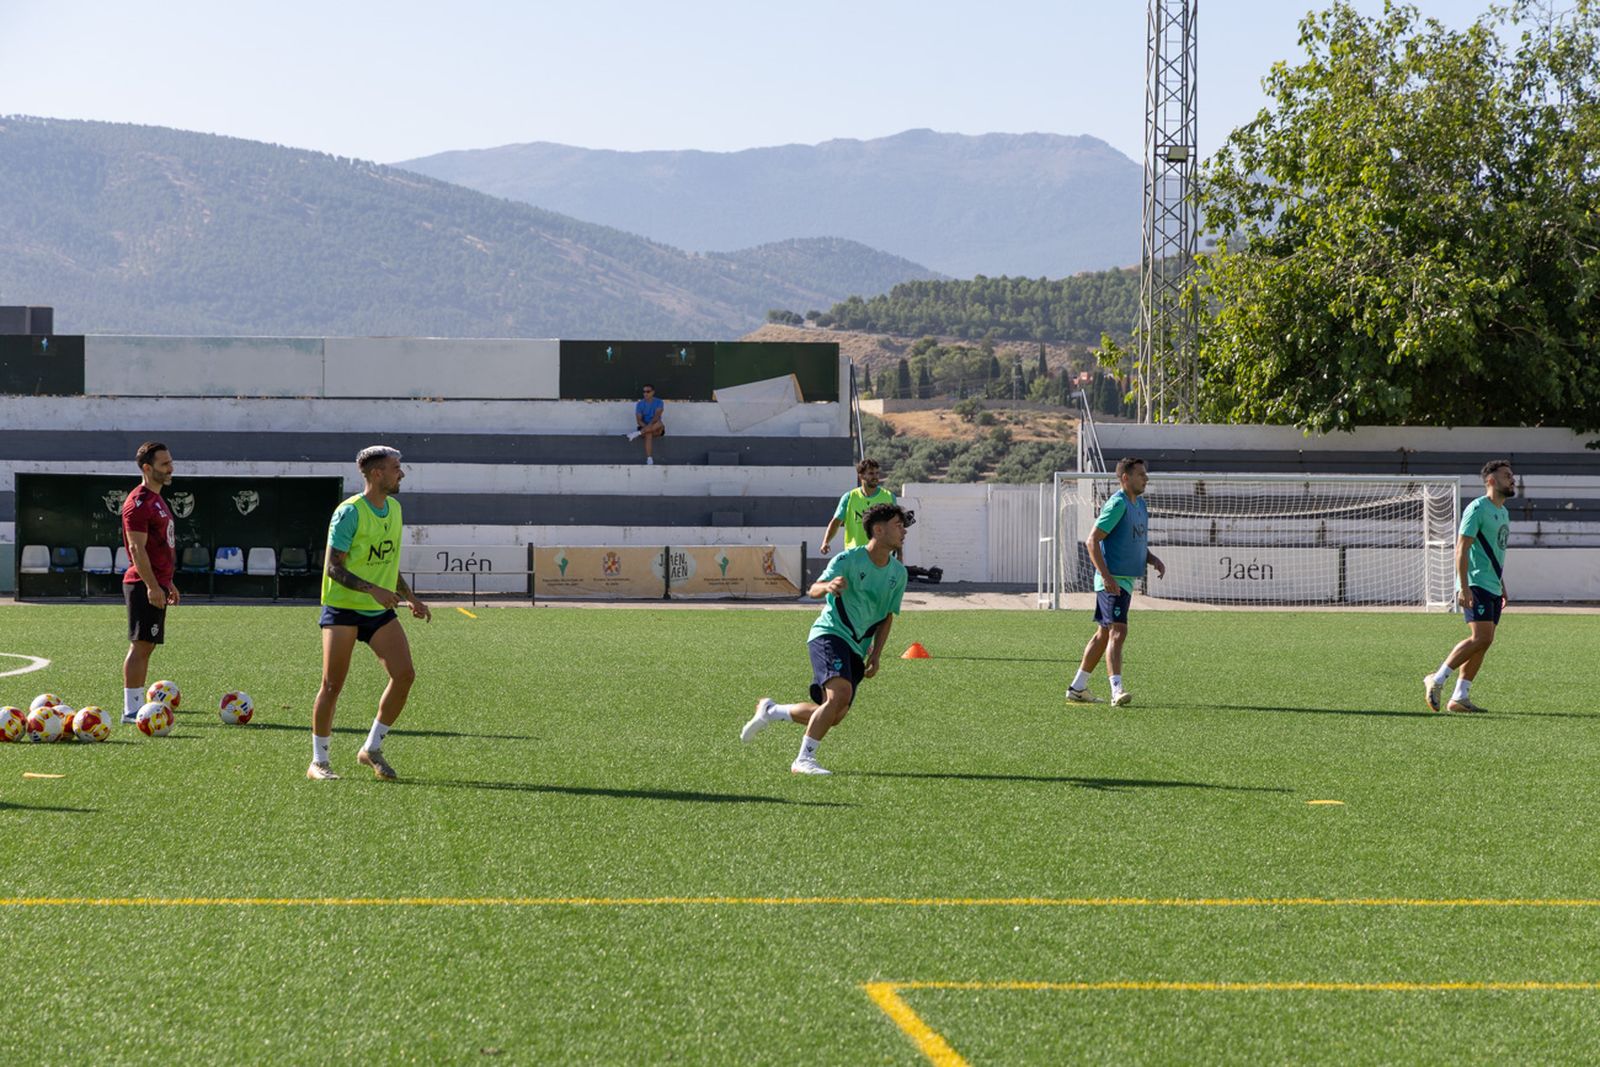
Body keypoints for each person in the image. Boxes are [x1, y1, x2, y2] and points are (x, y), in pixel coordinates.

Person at [741, 502, 913, 775]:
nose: (904, 531)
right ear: (879, 530)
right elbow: (813, 589)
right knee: (839, 695)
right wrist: (828, 586)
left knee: (834, 714)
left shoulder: (898, 573)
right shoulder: (849, 559)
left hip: (858, 647)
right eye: (898, 525)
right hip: (830, 633)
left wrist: (877, 654)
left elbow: (887, 616)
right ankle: (803, 760)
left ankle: (772, 711)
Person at [308, 445, 432, 781]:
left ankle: (371, 748)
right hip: (343, 608)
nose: (401, 473)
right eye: (395, 468)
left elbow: (387, 561)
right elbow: (333, 567)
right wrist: (373, 589)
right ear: (377, 474)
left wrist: (410, 597)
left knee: (404, 675)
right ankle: (319, 761)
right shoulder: (349, 513)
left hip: (378, 611)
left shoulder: (395, 509)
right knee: (332, 685)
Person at [1066, 457, 1165, 707]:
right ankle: (1116, 691)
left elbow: (1135, 541)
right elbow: (1092, 541)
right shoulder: (1118, 504)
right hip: (1112, 581)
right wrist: (1106, 577)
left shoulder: (1140, 505)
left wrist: (1152, 559)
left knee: (1103, 635)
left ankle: (1077, 687)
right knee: (1119, 631)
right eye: (1141, 474)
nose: (1146, 478)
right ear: (1125, 478)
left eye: (1145, 474)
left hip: (1125, 581)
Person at [1424, 459, 1515, 714]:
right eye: (1507, 475)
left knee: (1485, 641)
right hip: (1475, 582)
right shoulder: (1477, 508)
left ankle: (1460, 697)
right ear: (1491, 481)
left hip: (1492, 584)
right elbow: (1461, 549)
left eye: (1512, 475)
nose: (1512, 479)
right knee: (1480, 637)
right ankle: (1437, 678)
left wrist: (1501, 583)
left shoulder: (1503, 512)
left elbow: (1494, 552)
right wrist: (1463, 587)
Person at [120, 441, 180, 725]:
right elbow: (136, 548)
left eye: (170, 462)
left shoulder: (157, 499)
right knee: (141, 645)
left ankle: (135, 706)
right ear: (147, 468)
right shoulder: (138, 503)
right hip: (142, 584)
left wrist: (168, 582)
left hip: (157, 583)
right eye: (164, 464)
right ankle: (131, 710)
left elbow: (160, 547)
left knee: (147, 645)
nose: (170, 468)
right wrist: (152, 586)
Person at [821, 458, 896, 557]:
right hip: (855, 555)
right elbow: (836, 522)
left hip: (880, 556)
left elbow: (896, 526)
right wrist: (826, 542)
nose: (875, 477)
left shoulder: (889, 497)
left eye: (877, 473)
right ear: (861, 475)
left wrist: (899, 553)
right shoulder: (849, 497)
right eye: (871, 473)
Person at [625, 383, 665, 465]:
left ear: (653, 392)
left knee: (659, 423)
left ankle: (637, 433)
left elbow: (657, 416)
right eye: (644, 392)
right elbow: (639, 421)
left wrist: (648, 427)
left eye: (648, 391)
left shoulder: (659, 402)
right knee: (648, 433)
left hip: (656, 428)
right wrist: (647, 428)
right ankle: (649, 459)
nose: (645, 393)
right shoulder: (640, 404)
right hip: (645, 427)